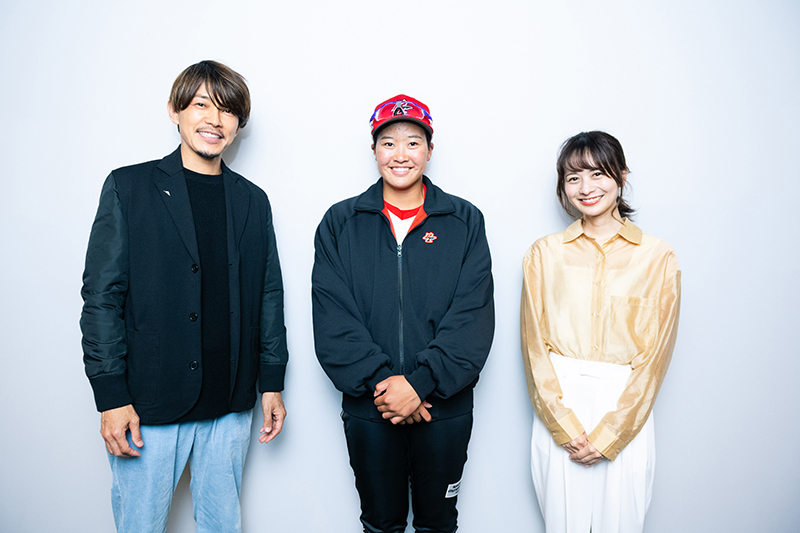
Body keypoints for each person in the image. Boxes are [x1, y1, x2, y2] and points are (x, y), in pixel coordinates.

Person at [80, 60, 288, 533]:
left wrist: (271, 381)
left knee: (223, 525)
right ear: (175, 111)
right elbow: (102, 298)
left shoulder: (253, 200)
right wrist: (110, 395)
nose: (214, 120)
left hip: (230, 401)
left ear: (238, 124)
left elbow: (268, 293)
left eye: (227, 110)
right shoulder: (129, 187)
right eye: (200, 105)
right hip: (149, 402)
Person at [312, 95, 495, 533]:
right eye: (388, 143)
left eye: (413, 142)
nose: (400, 154)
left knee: (438, 524)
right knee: (380, 524)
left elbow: (472, 315)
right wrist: (387, 387)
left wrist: (419, 383)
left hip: (444, 409)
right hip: (370, 408)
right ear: (373, 150)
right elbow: (333, 317)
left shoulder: (464, 220)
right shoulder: (340, 222)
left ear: (430, 150)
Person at [521, 131, 681, 533]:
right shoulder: (544, 253)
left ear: (621, 176)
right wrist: (562, 424)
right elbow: (534, 346)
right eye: (573, 177)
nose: (585, 187)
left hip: (625, 406)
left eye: (597, 173)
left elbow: (656, 357)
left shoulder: (657, 256)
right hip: (560, 402)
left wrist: (612, 433)